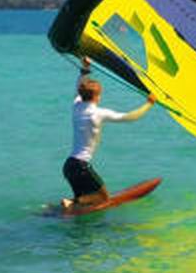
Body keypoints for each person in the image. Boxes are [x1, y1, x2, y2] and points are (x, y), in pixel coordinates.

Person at [60, 56, 156, 211]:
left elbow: (79, 83)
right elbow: (128, 117)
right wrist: (148, 104)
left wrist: (84, 68)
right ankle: (71, 204)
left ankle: (74, 204)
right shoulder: (97, 114)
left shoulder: (76, 105)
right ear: (97, 96)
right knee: (104, 199)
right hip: (81, 167)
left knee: (86, 199)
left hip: (69, 165)